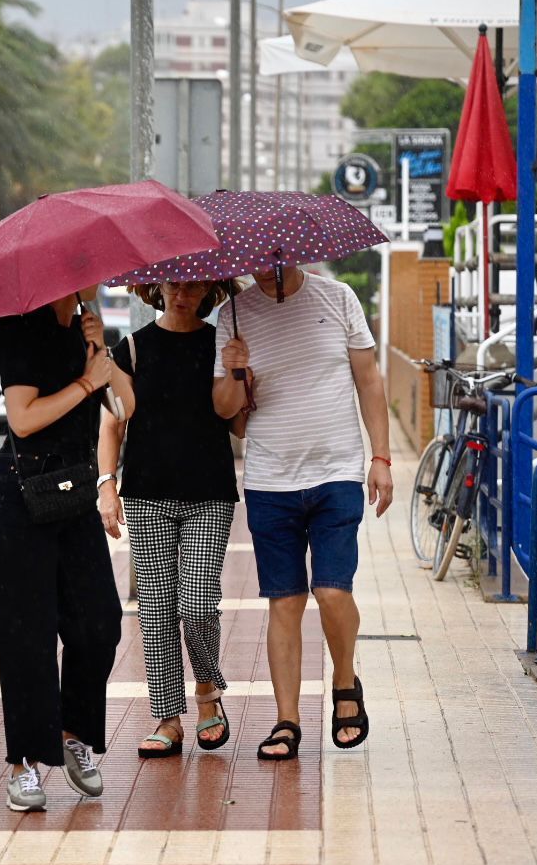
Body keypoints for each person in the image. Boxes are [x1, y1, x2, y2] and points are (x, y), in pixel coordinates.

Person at [212, 266, 394, 761]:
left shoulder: (338, 298)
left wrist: (381, 457)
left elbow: (369, 379)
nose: (270, 266)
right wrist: (235, 371)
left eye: (281, 255)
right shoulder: (232, 317)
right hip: (271, 480)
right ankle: (286, 720)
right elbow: (232, 419)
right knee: (284, 602)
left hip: (336, 472)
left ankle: (343, 679)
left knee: (332, 590)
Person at [0, 288, 135, 811]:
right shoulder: (17, 328)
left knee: (99, 624)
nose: (87, 286)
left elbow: (125, 407)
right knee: (29, 637)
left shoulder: (87, 330)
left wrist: (102, 359)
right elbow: (23, 418)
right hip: (20, 503)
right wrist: (85, 381)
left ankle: (73, 736)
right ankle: (23, 763)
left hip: (72, 498)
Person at [97, 279, 238, 758]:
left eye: (195, 285)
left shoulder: (221, 344)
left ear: (210, 289)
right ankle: (167, 718)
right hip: (145, 494)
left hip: (209, 492)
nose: (183, 293)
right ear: (156, 286)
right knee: (155, 611)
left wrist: (240, 374)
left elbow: (237, 421)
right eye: (175, 284)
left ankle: (207, 693)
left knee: (197, 602)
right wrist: (106, 486)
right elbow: (113, 422)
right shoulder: (132, 348)